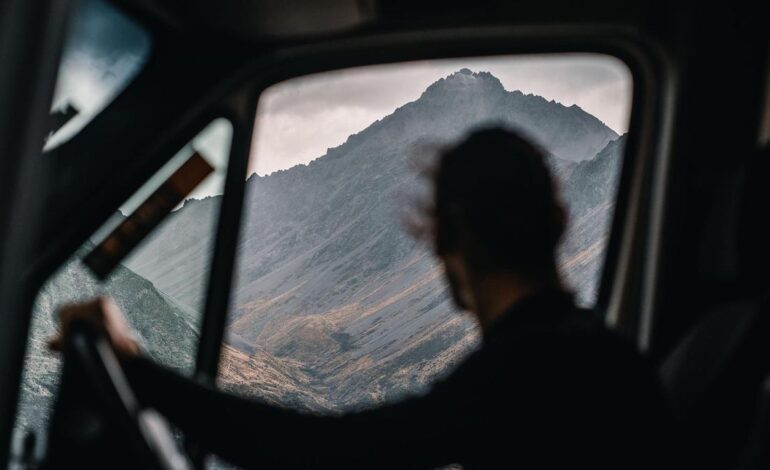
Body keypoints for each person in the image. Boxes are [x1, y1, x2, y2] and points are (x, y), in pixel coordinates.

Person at [50, 127, 671, 469]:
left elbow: (324, 454)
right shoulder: (599, 356)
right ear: (559, 221)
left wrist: (133, 366)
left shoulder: (527, 371)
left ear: (452, 242)